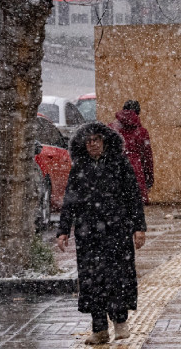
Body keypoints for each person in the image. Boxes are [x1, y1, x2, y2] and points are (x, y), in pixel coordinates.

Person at [56, 122, 147, 345]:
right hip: (88, 235)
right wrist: (63, 230)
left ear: (104, 141)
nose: (93, 145)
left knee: (118, 277)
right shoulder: (80, 168)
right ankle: (99, 329)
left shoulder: (119, 163)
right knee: (92, 281)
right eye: (88, 142)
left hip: (116, 231)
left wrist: (138, 227)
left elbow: (133, 196)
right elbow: (70, 201)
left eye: (96, 140)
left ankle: (120, 323)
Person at [109, 100, 154, 203]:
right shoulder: (142, 132)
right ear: (137, 113)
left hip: (114, 171)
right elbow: (147, 157)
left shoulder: (111, 129)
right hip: (135, 171)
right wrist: (149, 180)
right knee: (135, 208)